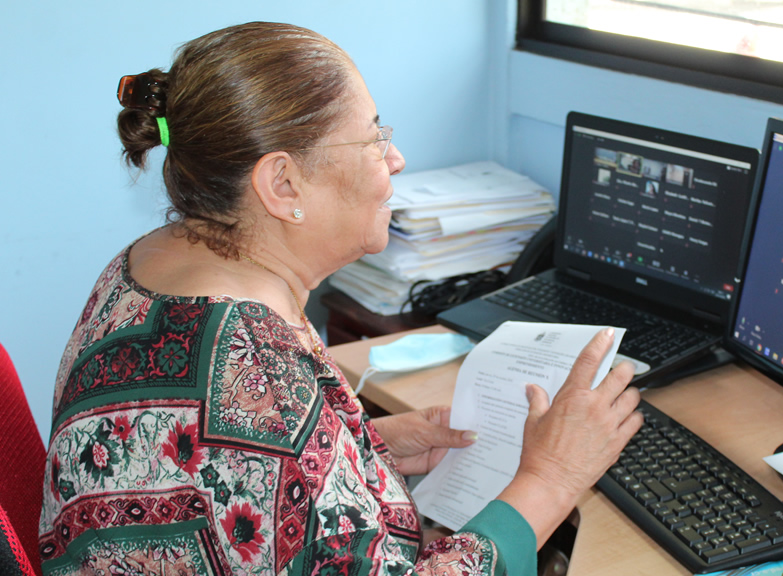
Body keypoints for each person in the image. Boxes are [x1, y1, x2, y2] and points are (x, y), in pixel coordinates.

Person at [39, 22, 642, 576]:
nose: (396, 160)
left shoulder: (152, 262)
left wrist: (366, 452)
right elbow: (260, 432)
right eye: (375, 139)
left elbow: (231, 467)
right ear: (283, 184)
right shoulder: (259, 376)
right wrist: (552, 478)